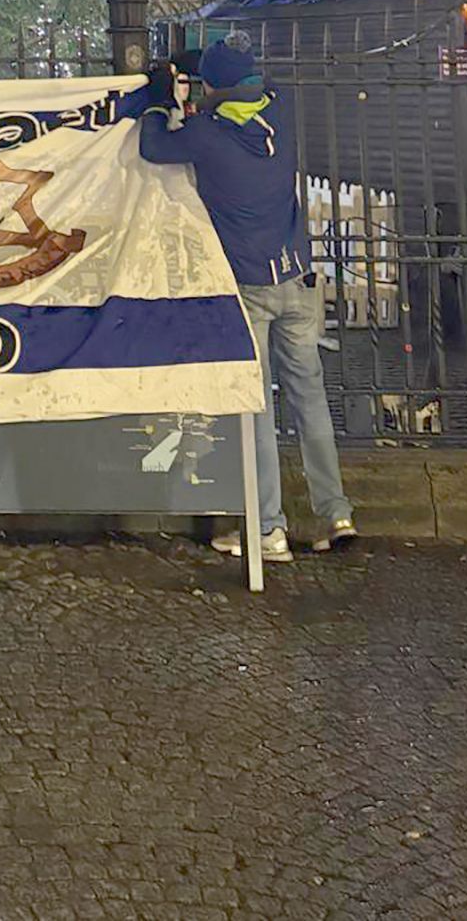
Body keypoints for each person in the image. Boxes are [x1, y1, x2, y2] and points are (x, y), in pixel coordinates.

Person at [123, 41, 357, 561]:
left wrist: (165, 100)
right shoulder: (281, 113)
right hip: (297, 278)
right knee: (309, 399)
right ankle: (335, 513)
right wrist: (215, 82)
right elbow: (258, 87)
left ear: (211, 92)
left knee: (255, 406)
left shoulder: (209, 136)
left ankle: (267, 528)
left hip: (248, 285)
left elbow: (153, 146)